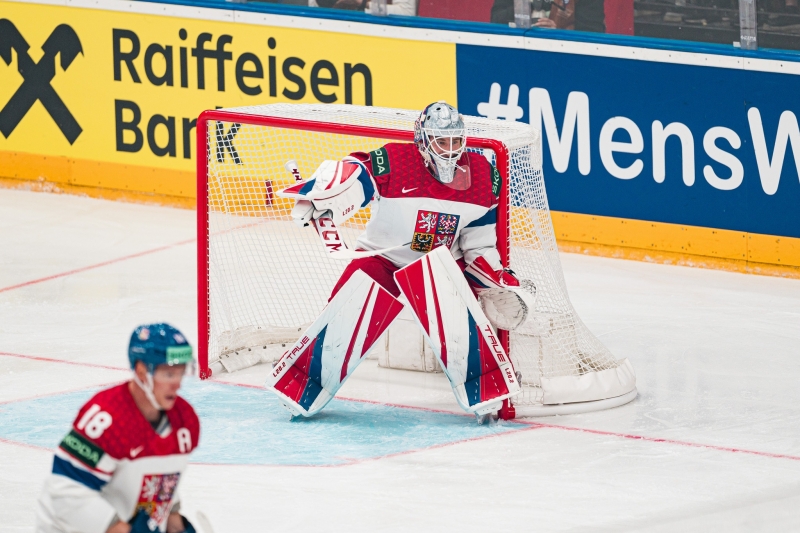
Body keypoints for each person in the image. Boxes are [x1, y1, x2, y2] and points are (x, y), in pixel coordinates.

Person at [268, 102, 531, 418]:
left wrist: (495, 278)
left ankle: (486, 384)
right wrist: (325, 198)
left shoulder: (483, 178)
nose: (449, 150)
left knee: (460, 325)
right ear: (422, 141)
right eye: (440, 141)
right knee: (341, 318)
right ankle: (303, 381)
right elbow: (359, 173)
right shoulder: (397, 161)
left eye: (455, 141)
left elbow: (478, 245)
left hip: (438, 263)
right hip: (382, 259)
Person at [36, 324, 201, 533]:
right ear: (142, 372)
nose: (177, 384)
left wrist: (174, 523)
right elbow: (66, 490)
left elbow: (161, 480)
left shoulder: (184, 421)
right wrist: (120, 529)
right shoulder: (106, 418)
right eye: (168, 374)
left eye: (181, 373)